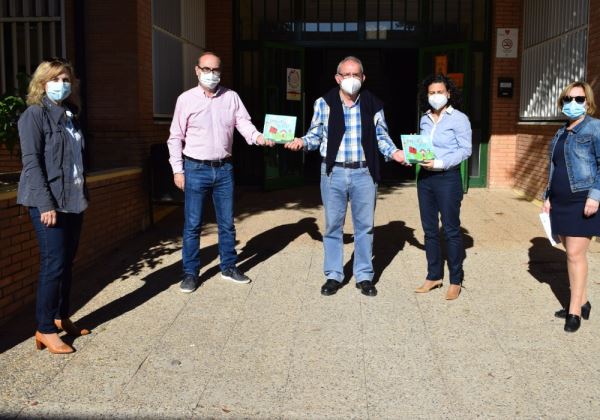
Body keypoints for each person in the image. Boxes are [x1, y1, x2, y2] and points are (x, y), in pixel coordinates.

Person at [285, 56, 407, 297]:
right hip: (334, 172)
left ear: (363, 78)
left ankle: (364, 275)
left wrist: (395, 153)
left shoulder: (374, 104)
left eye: (356, 75)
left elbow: (382, 138)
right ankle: (333, 275)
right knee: (332, 226)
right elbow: (315, 134)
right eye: (346, 75)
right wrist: (302, 142)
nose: (351, 79)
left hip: (364, 172)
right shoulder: (324, 103)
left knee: (365, 227)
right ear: (338, 78)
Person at [167, 51, 273, 293]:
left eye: (215, 70)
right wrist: (177, 170)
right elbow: (175, 137)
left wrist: (258, 137)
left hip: (224, 169)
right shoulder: (186, 99)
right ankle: (191, 273)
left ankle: (229, 267)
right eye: (206, 69)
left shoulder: (231, 97)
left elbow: (243, 124)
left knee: (227, 224)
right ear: (197, 70)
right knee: (193, 224)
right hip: (195, 168)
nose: (211, 75)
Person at [17, 58, 90, 354]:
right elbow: (32, 163)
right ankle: (44, 328)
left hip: (72, 200)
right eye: (55, 79)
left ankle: (61, 317)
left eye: (66, 79)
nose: (61, 84)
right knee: (54, 264)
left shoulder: (70, 116)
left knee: (67, 264)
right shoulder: (34, 115)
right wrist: (46, 203)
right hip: (47, 203)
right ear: (42, 83)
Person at [543, 81, 600, 333]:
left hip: (582, 199)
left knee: (575, 255)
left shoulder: (595, 128)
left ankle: (574, 310)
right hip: (560, 200)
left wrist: (595, 195)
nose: (572, 104)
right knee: (570, 251)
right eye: (568, 99)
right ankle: (584, 301)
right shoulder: (561, 131)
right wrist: (547, 196)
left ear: (588, 103)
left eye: (579, 99)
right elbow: (555, 167)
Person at [414, 74, 472, 300]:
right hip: (425, 179)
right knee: (429, 230)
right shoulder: (424, 118)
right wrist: (416, 156)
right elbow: (422, 146)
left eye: (439, 92)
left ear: (448, 94)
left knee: (450, 229)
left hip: (447, 178)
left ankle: (455, 279)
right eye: (431, 92)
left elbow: (465, 150)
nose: (435, 96)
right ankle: (433, 276)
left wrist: (440, 162)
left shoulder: (459, 119)